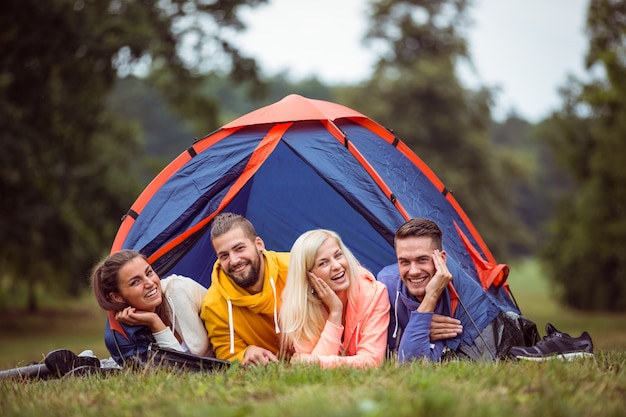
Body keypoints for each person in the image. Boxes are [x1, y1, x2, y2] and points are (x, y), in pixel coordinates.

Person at [377, 218, 541, 363]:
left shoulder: (463, 292)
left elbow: (412, 362)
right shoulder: (387, 284)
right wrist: (423, 325)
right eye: (404, 262)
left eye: (422, 260)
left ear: (441, 259)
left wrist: (432, 295)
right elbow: (402, 359)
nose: (413, 271)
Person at [279, 229, 390, 367]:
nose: (337, 266)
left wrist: (317, 362)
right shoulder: (298, 306)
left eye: (338, 255)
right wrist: (335, 312)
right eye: (323, 263)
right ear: (307, 276)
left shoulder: (374, 293)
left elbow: (372, 361)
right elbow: (312, 373)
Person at [92, 249, 213, 365]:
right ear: (117, 297)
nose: (150, 283)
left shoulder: (180, 289)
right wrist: (155, 323)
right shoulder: (121, 337)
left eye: (149, 273)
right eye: (135, 282)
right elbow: (179, 373)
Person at [200, 213, 290, 366]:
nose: (234, 260)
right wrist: (245, 354)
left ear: (259, 244)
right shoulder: (213, 305)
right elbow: (227, 357)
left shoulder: (295, 268)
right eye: (224, 256)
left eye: (239, 248)